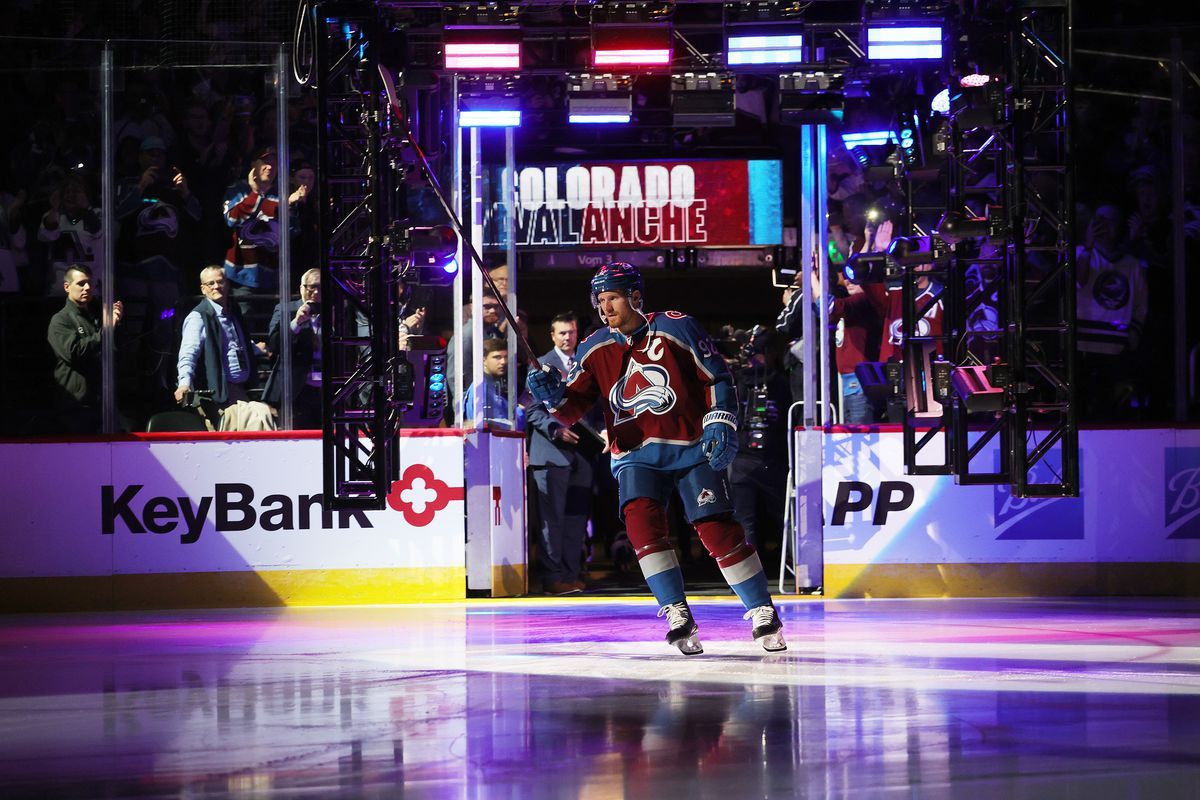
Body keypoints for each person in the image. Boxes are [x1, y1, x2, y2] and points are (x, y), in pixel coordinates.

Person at [526, 262, 785, 655]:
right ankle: (676, 611)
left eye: (612, 297)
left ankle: (761, 609)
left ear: (634, 296)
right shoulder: (594, 346)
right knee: (642, 529)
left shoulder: (677, 326)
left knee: (716, 528)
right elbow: (570, 408)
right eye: (599, 300)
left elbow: (715, 377)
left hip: (689, 446)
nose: (604, 307)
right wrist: (550, 395)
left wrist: (721, 421)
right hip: (634, 454)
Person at [526, 312, 600, 596]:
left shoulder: (585, 363)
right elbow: (532, 409)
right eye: (562, 333)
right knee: (552, 519)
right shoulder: (541, 364)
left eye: (571, 332)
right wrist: (556, 429)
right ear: (553, 336)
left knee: (576, 517)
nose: (568, 337)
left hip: (584, 454)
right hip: (552, 452)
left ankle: (571, 573)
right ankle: (552, 576)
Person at [47, 264, 123, 433]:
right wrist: (107, 331)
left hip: (102, 405)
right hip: (75, 409)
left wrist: (115, 327)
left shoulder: (95, 316)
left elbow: (114, 355)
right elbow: (74, 353)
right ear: (67, 287)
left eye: (90, 283)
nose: (87, 287)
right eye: (81, 284)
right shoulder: (60, 320)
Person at [175, 265, 257, 409]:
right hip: (220, 394)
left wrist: (257, 348)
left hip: (243, 389)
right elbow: (188, 354)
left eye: (220, 282)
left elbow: (231, 342)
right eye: (210, 283)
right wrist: (184, 384)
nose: (216, 286)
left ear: (228, 284)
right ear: (203, 289)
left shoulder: (233, 311)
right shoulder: (198, 317)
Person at [262, 267, 322, 429]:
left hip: (326, 389)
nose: (316, 292)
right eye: (312, 287)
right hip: (295, 389)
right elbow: (274, 345)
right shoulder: (285, 309)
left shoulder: (335, 311)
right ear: (301, 288)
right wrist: (296, 322)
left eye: (320, 288)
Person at [463, 337, 524, 430]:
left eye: (505, 357)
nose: (503, 362)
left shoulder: (493, 385)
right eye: (497, 357)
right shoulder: (481, 389)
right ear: (484, 359)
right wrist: (521, 409)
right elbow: (503, 427)